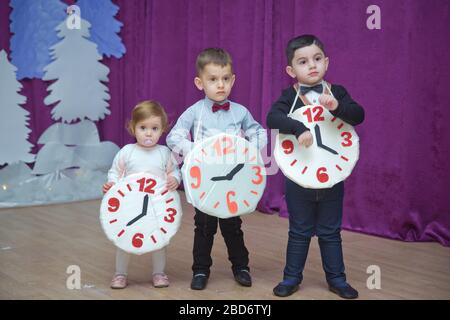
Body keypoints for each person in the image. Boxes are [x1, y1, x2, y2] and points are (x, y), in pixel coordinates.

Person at [266, 34, 365, 299]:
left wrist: (337, 106)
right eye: (303, 61)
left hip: (332, 178)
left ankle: (337, 279)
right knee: (298, 232)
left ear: (326, 62)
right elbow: (272, 118)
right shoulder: (289, 96)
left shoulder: (337, 92)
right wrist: (297, 128)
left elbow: (358, 115)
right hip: (299, 180)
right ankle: (291, 278)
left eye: (317, 59)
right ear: (291, 70)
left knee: (331, 232)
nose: (312, 65)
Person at [167, 48, 267, 290]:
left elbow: (259, 132)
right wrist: (195, 149)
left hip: (232, 181)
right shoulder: (194, 112)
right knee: (204, 228)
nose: (220, 85)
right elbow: (174, 137)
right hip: (205, 182)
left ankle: (241, 267)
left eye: (225, 79)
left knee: (233, 227)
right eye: (213, 79)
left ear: (232, 80)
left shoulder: (240, 111)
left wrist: (250, 150)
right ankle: (200, 270)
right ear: (200, 83)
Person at [103, 100, 180, 289]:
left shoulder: (164, 153)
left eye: (154, 128)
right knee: (124, 240)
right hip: (130, 206)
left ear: (162, 129)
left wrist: (175, 179)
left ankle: (159, 273)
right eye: (143, 127)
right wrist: (112, 184)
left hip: (157, 207)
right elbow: (115, 172)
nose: (148, 133)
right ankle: (120, 274)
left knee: (160, 241)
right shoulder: (127, 152)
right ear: (132, 128)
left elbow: (174, 171)